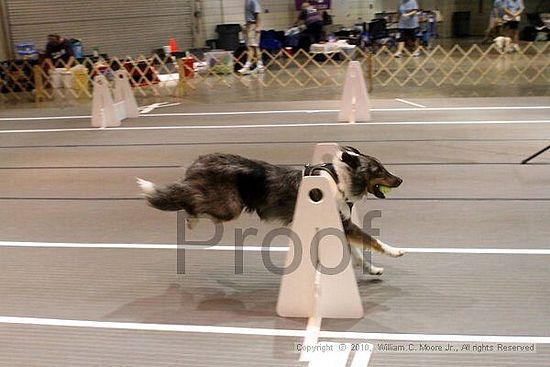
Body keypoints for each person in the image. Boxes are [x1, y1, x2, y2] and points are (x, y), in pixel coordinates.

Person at [239, 0, 263, 75]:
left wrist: (258, 26)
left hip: (253, 25)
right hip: (249, 25)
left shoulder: (253, 1)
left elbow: (258, 14)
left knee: (251, 47)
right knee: (255, 46)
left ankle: (247, 66)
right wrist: (246, 25)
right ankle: (259, 66)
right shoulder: (247, 1)